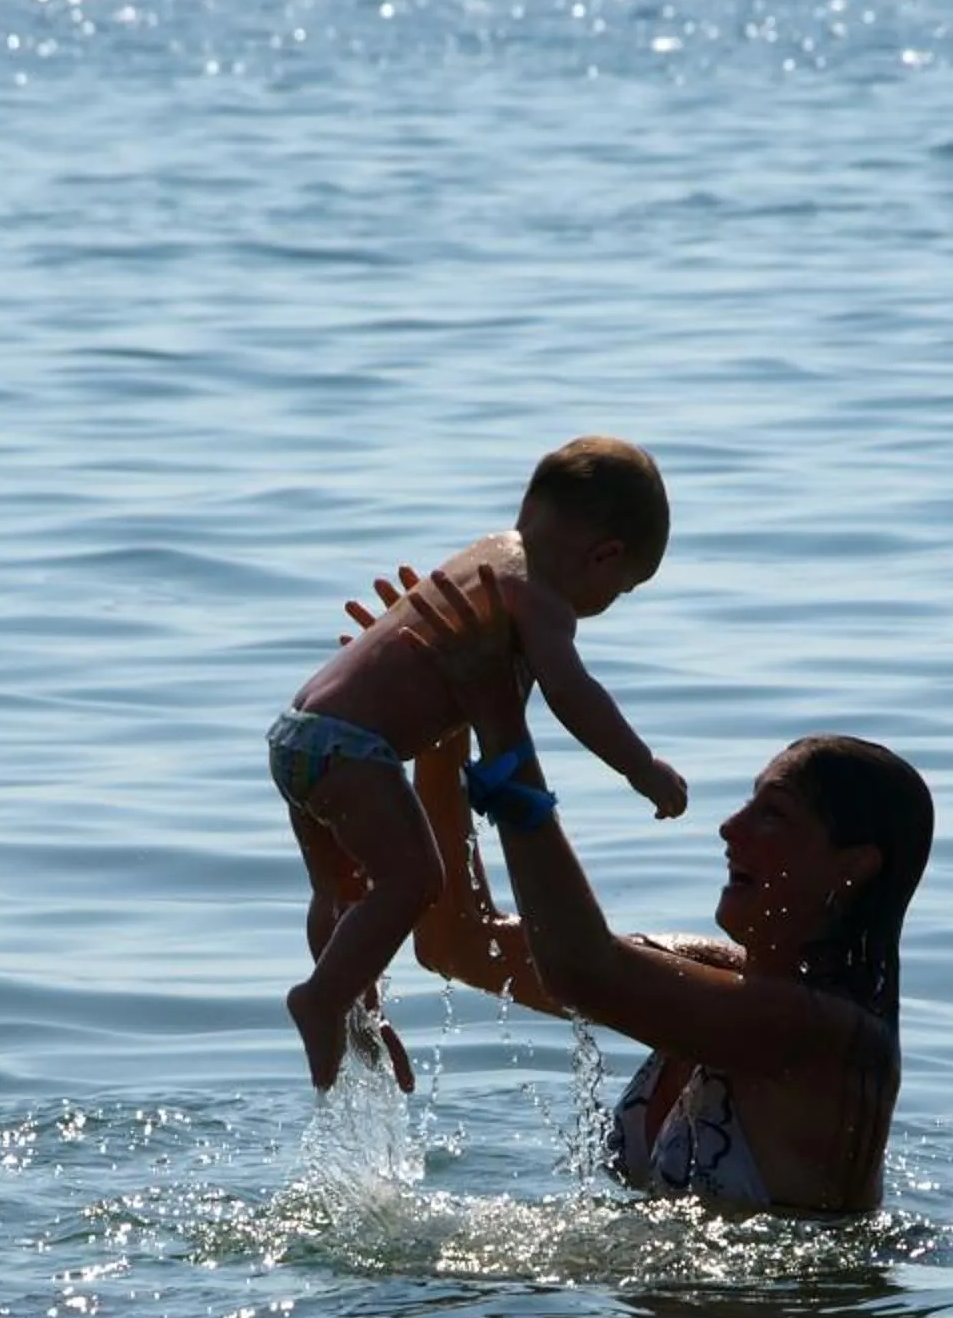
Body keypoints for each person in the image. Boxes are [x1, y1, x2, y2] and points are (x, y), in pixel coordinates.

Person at [394, 562, 932, 1215]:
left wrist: (501, 722)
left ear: (855, 867)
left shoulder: (823, 1034)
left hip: (779, 1317)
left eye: (775, 814)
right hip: (679, 1310)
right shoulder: (708, 980)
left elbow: (580, 967)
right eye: (746, 805)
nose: (731, 828)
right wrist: (444, 732)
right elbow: (459, 942)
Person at [269, 435, 690, 1092]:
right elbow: (572, 693)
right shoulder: (539, 599)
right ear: (604, 556)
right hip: (354, 748)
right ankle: (324, 998)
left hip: (298, 734)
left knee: (344, 891)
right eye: (623, 589)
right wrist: (641, 766)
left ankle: (358, 1014)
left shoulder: (485, 554)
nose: (610, 603)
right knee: (413, 883)